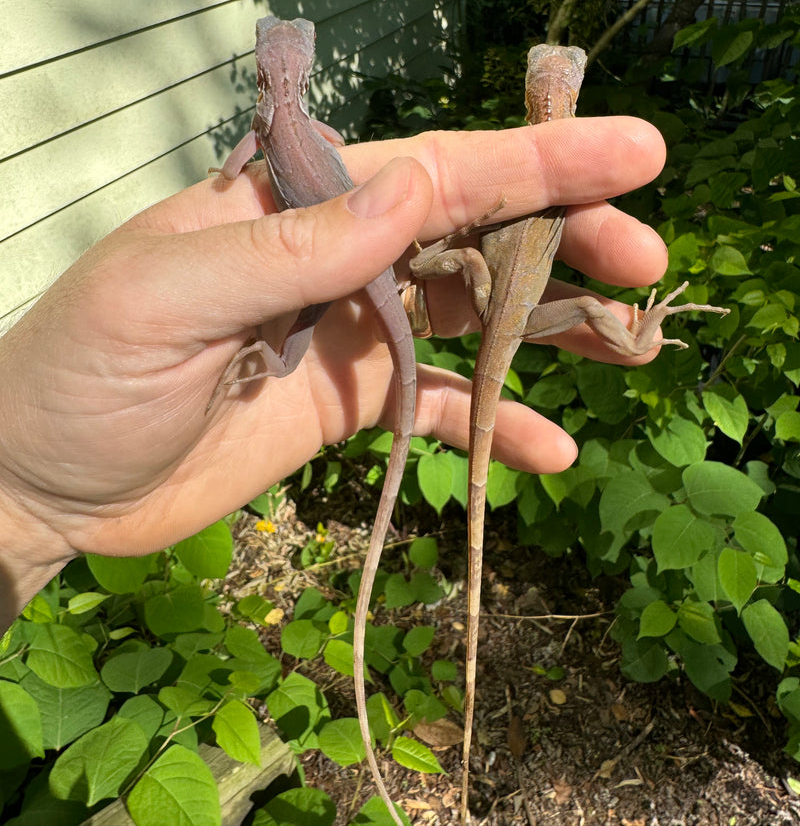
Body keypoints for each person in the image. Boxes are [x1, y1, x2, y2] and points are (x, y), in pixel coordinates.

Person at [0, 118, 669, 630]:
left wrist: (26, 505)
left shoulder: (271, 131)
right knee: (573, 302)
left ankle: (629, 334)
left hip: (475, 288)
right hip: (473, 292)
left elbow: (263, 163)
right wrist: (25, 500)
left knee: (550, 297)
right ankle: (631, 335)